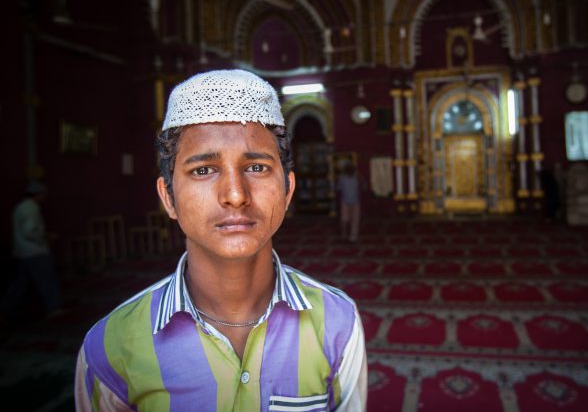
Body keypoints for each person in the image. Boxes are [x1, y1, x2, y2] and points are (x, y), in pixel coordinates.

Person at [75, 70, 367, 411]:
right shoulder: (110, 348)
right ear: (168, 197)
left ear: (288, 190)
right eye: (203, 170)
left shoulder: (338, 323)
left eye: (256, 167)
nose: (234, 195)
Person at [0, 181, 63, 319]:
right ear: (38, 194)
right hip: (35, 251)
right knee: (47, 280)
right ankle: (54, 308)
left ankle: (5, 310)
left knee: (20, 284)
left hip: (23, 251)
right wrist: (46, 237)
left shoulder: (20, 207)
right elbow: (31, 231)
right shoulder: (31, 209)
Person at [336, 164, 363, 242]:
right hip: (345, 202)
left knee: (355, 220)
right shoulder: (342, 178)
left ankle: (353, 236)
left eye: (352, 170)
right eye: (349, 170)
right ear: (346, 171)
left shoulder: (357, 177)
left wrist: (360, 179)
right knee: (344, 220)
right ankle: (344, 233)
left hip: (355, 202)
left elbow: (364, 186)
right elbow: (338, 188)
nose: (351, 172)